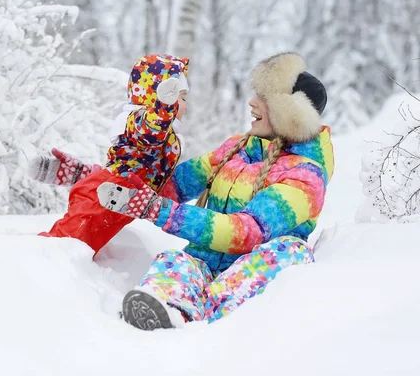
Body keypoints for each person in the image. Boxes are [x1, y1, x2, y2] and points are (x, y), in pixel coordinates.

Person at [95, 52, 334, 330]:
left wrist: (157, 211)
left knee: (289, 251)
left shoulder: (306, 175)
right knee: (178, 261)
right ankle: (164, 306)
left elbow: (247, 232)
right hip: (206, 261)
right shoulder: (237, 148)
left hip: (250, 275)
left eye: (264, 98)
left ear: (289, 112)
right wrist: (117, 173)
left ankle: (209, 320)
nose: (251, 102)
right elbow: (172, 184)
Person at [29, 54, 190, 256]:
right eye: (181, 97)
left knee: (83, 243)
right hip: (104, 197)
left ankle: (78, 173)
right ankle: (30, 259)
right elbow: (150, 132)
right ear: (159, 96)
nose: (186, 105)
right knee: (66, 245)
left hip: (119, 196)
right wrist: (164, 107)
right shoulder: (139, 121)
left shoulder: (167, 135)